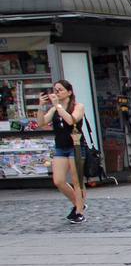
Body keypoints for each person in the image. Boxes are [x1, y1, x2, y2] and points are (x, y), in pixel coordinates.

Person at [41, 81, 86, 224]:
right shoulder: (55, 109)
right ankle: (78, 203)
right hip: (61, 146)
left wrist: (57, 106)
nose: (57, 93)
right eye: (55, 90)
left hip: (76, 145)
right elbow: (41, 122)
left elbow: (71, 120)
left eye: (60, 90)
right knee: (59, 180)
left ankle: (79, 211)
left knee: (77, 180)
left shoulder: (78, 106)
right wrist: (41, 107)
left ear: (69, 92)